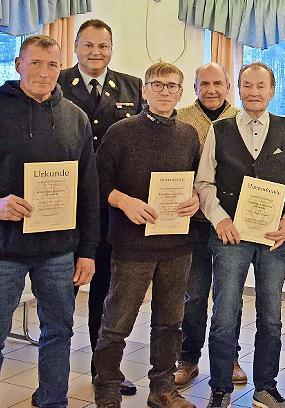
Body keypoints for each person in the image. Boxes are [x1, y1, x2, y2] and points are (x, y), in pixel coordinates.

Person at [195, 62, 285, 408]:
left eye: (261, 86)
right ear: (238, 89)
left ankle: (265, 387)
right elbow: (204, 182)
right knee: (224, 315)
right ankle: (220, 388)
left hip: (273, 240)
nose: (254, 92)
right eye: (247, 85)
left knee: (272, 317)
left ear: (272, 90)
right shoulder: (220, 129)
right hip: (229, 238)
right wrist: (219, 219)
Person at [92, 62, 200, 408]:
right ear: (144, 90)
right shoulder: (121, 132)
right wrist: (124, 202)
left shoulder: (188, 134)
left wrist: (197, 198)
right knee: (117, 322)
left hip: (176, 246)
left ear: (181, 92)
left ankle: (163, 389)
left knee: (170, 323)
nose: (165, 91)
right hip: (132, 245)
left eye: (172, 86)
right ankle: (107, 386)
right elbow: (95, 183)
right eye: (158, 85)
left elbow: (199, 183)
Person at [0, 34, 99, 408]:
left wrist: (87, 250)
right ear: (18, 65)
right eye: (36, 63)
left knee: (58, 332)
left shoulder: (74, 117)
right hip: (4, 250)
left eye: (52, 64)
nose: (44, 72)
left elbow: (88, 189)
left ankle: (52, 401)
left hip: (58, 252)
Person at [57, 19, 143, 395]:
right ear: (76, 46)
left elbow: (138, 149)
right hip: (63, 208)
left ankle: (104, 371)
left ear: (112, 48)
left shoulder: (131, 87)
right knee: (60, 297)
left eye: (103, 45)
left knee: (107, 296)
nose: (96, 52)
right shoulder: (56, 83)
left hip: (110, 212)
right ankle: (53, 377)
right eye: (88, 45)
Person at [174, 62, 246, 388]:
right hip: (193, 223)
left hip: (231, 225)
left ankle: (229, 356)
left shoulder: (243, 121)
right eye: (205, 84)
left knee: (230, 296)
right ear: (195, 87)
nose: (212, 90)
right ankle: (187, 359)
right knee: (193, 296)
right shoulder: (180, 119)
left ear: (228, 86)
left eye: (218, 83)